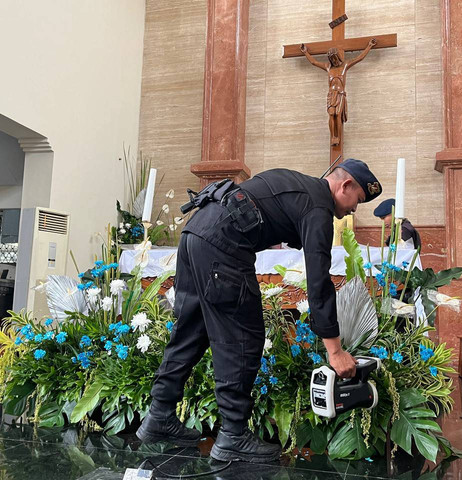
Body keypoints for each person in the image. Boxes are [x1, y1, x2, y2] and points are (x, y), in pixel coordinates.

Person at [136, 159, 383, 463]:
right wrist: (335, 351)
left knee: (191, 329)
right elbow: (319, 280)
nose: (355, 209)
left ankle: (159, 414)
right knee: (243, 338)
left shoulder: (297, 182)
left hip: (195, 234)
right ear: (345, 185)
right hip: (223, 246)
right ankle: (233, 435)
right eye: (357, 199)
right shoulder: (318, 208)